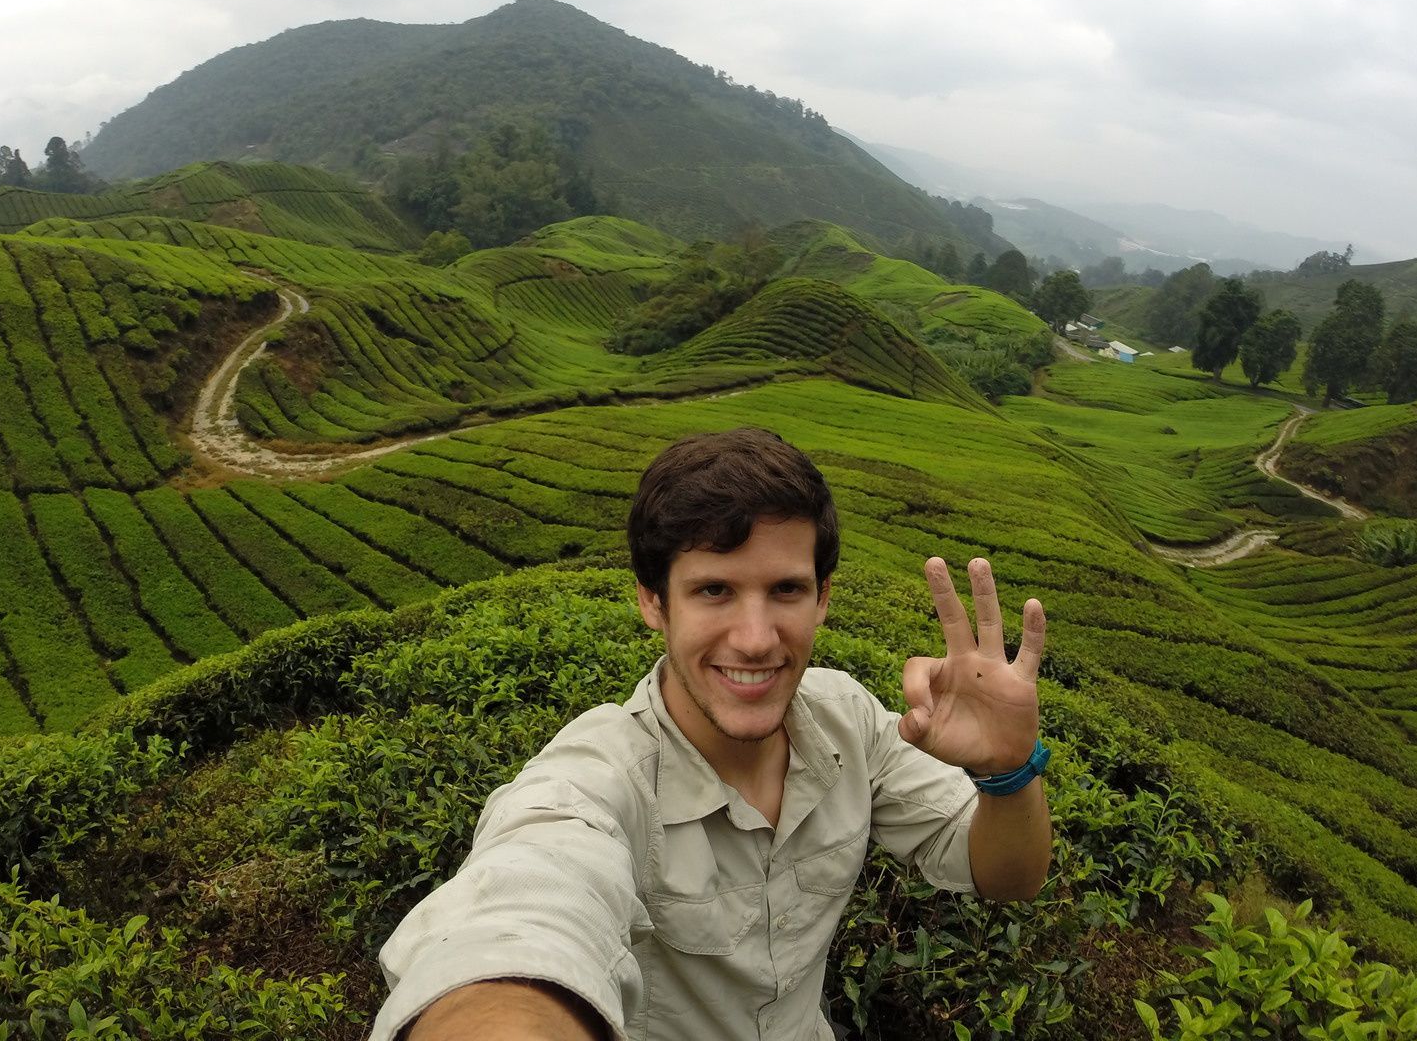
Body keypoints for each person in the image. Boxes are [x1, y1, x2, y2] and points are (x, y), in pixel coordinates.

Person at [371, 427, 1052, 1041]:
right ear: (651, 600)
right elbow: (526, 909)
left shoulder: (850, 719)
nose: (755, 640)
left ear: (824, 597)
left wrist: (1008, 771)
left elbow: (1006, 876)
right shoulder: (600, 775)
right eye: (714, 591)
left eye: (785, 590)